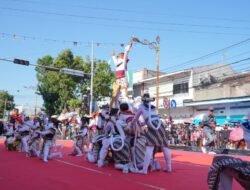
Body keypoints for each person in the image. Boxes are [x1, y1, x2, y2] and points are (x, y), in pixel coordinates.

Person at [131, 93, 172, 174]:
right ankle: (169, 167)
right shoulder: (152, 107)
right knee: (164, 146)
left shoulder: (141, 107)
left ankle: (144, 169)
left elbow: (136, 117)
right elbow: (149, 117)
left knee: (150, 147)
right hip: (160, 125)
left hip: (152, 126)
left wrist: (132, 124)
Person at [110, 43, 132, 108]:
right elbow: (115, 62)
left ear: (121, 57)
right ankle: (112, 108)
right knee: (115, 96)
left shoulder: (123, 61)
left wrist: (127, 49)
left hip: (122, 78)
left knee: (124, 94)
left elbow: (125, 54)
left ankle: (129, 107)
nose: (117, 57)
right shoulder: (118, 63)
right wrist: (113, 56)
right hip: (118, 79)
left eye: (118, 56)